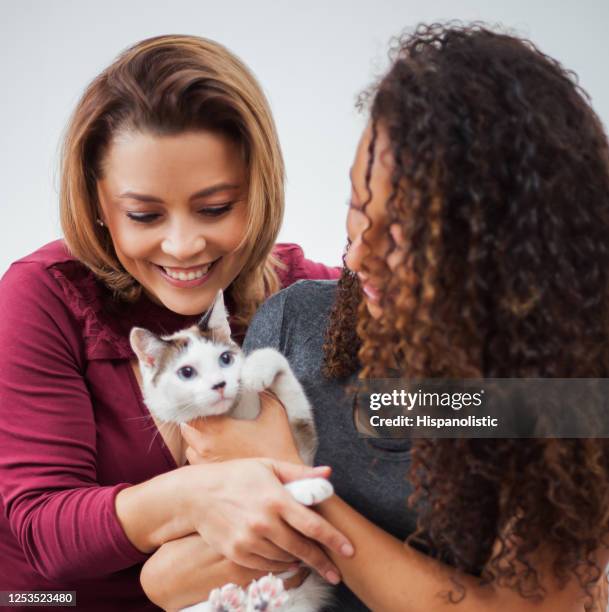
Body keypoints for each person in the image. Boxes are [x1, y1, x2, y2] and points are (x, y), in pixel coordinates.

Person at [151, 23, 609, 611]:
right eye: (358, 206)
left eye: (405, 232)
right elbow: (163, 579)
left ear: (506, 249)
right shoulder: (294, 328)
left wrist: (299, 484)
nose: (360, 253)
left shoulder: (557, 396)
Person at [0, 35, 354, 611]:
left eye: (216, 208)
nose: (184, 245)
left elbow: (463, 404)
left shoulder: (300, 296)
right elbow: (44, 531)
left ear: (259, 189)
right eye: (144, 214)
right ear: (97, 202)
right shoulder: (42, 297)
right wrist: (200, 495)